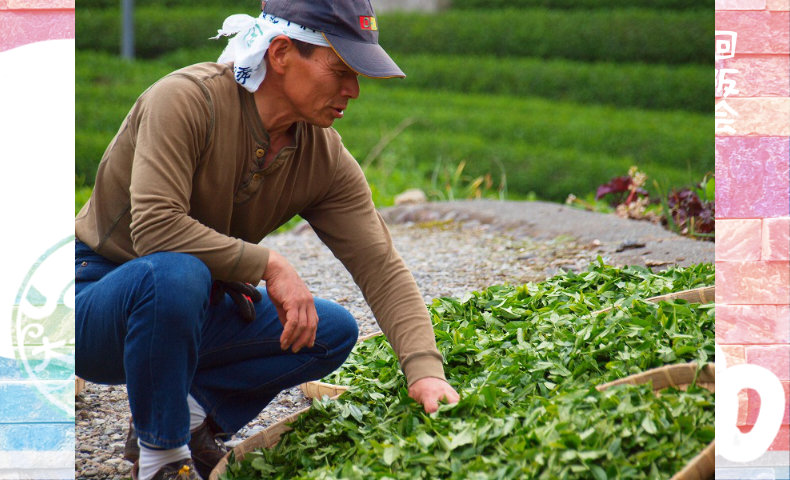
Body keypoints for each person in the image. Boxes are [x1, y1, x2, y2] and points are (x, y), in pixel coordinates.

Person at [74, 1, 460, 479]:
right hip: (94, 297)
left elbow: (380, 266)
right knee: (177, 272)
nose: (353, 90)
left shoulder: (322, 156)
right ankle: (162, 459)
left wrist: (425, 371)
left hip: (189, 305)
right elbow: (155, 229)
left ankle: (189, 418)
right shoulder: (186, 101)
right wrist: (270, 265)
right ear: (280, 53)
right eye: (340, 69)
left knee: (329, 329)